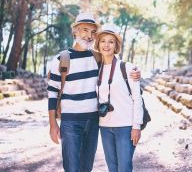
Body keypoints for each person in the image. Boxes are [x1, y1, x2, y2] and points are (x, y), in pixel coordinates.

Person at [47, 13, 141, 172]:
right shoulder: (61, 59)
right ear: (75, 31)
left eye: (92, 32)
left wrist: (136, 72)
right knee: (71, 167)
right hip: (70, 122)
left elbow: (116, 68)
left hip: (93, 121)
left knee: (86, 168)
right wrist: (52, 124)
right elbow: (52, 92)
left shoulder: (97, 58)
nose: (89, 36)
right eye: (84, 30)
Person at [93, 24, 143, 172]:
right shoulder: (96, 68)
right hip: (105, 126)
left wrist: (136, 126)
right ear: (98, 45)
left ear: (116, 46)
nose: (106, 45)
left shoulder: (127, 68)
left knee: (124, 168)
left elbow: (137, 98)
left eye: (111, 41)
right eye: (103, 41)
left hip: (125, 126)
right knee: (113, 168)